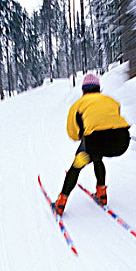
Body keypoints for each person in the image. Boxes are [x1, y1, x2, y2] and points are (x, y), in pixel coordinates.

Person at [54, 74, 131, 215]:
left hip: (94, 143)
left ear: (83, 91)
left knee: (77, 165)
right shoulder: (113, 101)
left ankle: (61, 203)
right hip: (121, 141)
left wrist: (82, 136)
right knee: (97, 157)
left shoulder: (77, 105)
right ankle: (102, 194)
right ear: (99, 89)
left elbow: (73, 133)